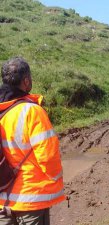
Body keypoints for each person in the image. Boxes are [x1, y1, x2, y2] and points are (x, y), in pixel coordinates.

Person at [0, 57, 65, 225]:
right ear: (26, 81)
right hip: (30, 198)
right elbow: (48, 157)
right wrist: (55, 179)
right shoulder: (32, 111)